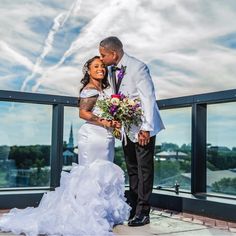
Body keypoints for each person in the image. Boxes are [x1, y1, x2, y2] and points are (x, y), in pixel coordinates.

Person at [0, 56, 130, 236]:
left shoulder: (104, 89)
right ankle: (85, 214)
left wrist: (115, 123)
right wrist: (106, 122)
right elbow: (83, 113)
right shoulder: (89, 89)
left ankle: (100, 213)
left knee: (103, 173)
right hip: (92, 136)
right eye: (96, 66)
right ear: (89, 70)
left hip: (105, 137)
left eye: (102, 66)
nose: (101, 69)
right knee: (90, 173)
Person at [99, 36, 165, 227]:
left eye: (103, 55)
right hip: (127, 129)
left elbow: (148, 98)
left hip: (143, 128)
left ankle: (144, 212)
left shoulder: (138, 67)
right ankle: (135, 207)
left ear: (114, 53)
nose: (101, 58)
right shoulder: (111, 71)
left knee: (144, 170)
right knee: (133, 169)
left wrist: (146, 128)